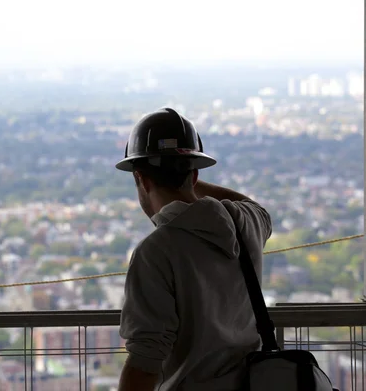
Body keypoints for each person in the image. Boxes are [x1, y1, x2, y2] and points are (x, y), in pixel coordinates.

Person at [115, 108, 272, 391]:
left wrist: (176, 174)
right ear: (195, 174)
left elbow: (145, 362)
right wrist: (186, 177)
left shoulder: (155, 252)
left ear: (142, 179)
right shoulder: (245, 224)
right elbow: (257, 208)